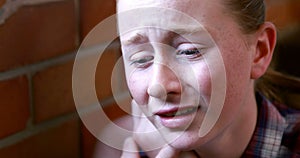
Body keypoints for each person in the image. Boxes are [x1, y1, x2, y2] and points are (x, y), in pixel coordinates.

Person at [97, 0, 300, 157]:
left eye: (189, 51)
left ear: (259, 52)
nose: (158, 86)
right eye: (140, 59)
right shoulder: (118, 147)